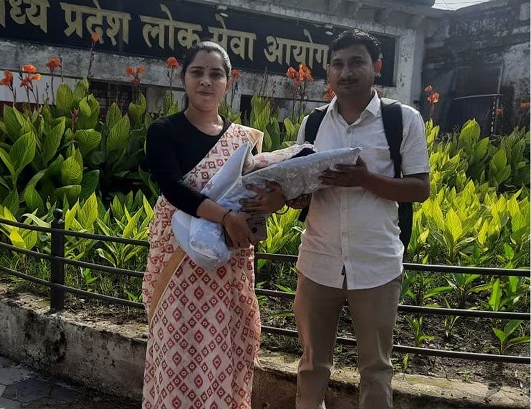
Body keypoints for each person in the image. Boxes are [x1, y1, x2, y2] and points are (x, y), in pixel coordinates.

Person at [287, 29, 431, 409]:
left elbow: (420, 189)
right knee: (311, 364)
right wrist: (295, 195)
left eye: (356, 62)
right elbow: (301, 186)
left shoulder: (402, 120)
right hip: (318, 261)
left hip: (376, 264)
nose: (346, 72)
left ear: (376, 66)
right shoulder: (314, 124)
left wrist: (365, 179)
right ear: (328, 71)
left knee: (376, 368)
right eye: (337, 64)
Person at [142, 40, 285, 409]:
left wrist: (269, 204)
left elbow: (250, 193)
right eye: (197, 72)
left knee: (223, 346)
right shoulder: (163, 130)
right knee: (177, 346)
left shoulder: (244, 140)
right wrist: (224, 217)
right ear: (184, 78)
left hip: (228, 264)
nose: (206, 81)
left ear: (227, 83)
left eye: (215, 74)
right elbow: (173, 188)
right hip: (180, 261)